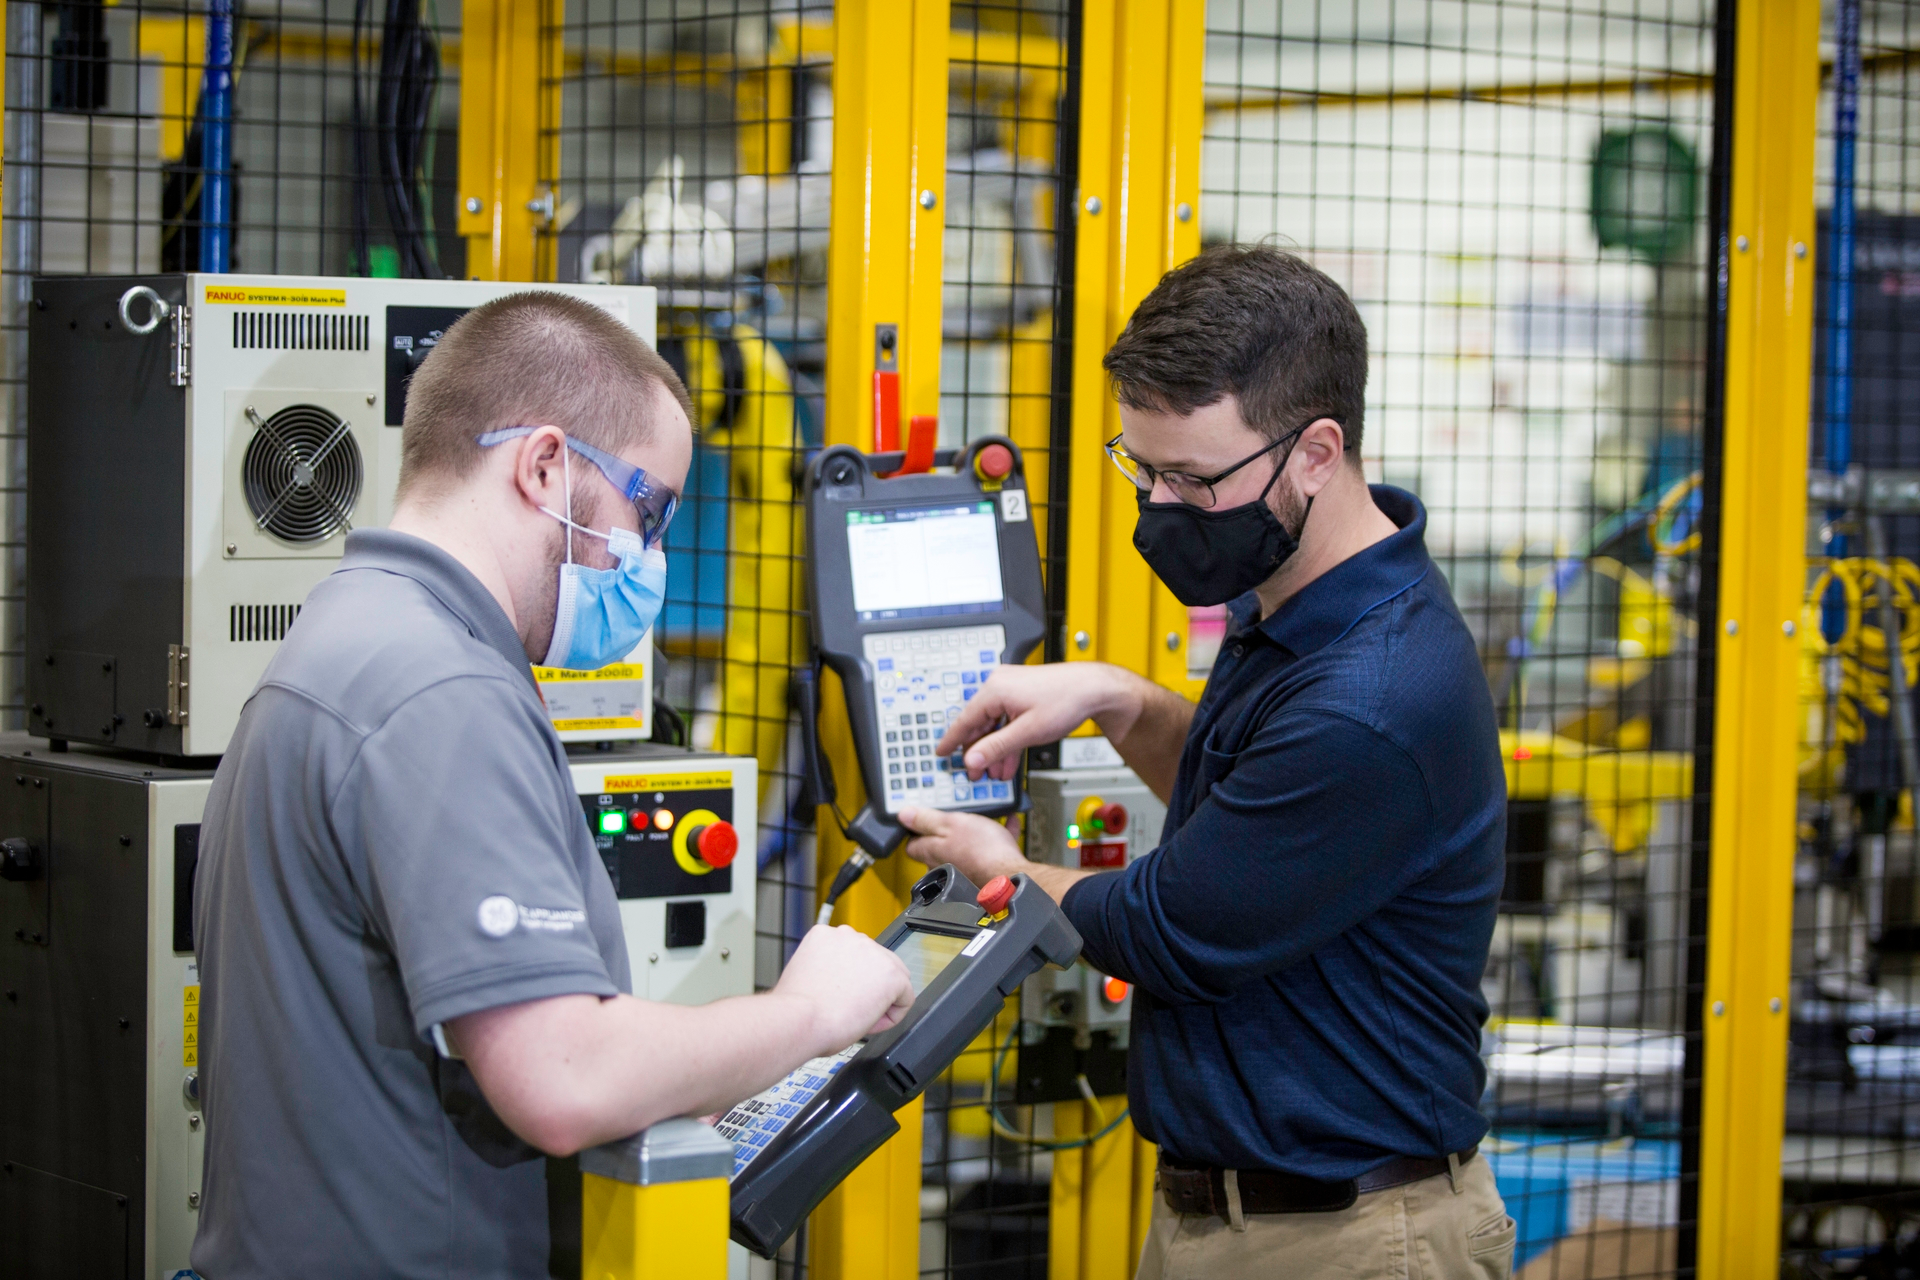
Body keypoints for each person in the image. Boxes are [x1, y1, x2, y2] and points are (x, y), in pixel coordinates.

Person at [191, 292, 915, 1280]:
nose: (650, 557)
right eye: (648, 510)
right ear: (542, 466)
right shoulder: (440, 689)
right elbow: (562, 1076)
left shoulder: (347, 634)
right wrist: (808, 1015)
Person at [898, 245, 1515, 1278]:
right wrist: (1119, 698)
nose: (1162, 508)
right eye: (1144, 468)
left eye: (1193, 478)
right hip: (1231, 1216)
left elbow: (1168, 926)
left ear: (1317, 452)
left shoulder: (1373, 694)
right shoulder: (1297, 598)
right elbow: (1254, 810)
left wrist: (992, 862)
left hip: (1349, 1238)